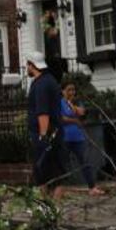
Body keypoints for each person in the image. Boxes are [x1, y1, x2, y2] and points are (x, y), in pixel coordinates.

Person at [25, 53, 67, 200]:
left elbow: (43, 112)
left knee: (43, 171)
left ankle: (48, 205)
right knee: (55, 171)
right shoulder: (49, 80)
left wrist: (43, 136)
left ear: (32, 65)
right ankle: (51, 206)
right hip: (54, 132)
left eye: (27, 65)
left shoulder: (41, 85)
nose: (26, 68)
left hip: (46, 134)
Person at [60, 83, 105, 196]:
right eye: (69, 90)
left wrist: (78, 111)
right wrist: (74, 120)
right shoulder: (60, 103)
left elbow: (82, 113)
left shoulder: (72, 103)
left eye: (73, 90)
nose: (72, 92)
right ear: (63, 91)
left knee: (85, 162)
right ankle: (57, 188)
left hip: (78, 137)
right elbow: (61, 118)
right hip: (65, 137)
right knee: (62, 163)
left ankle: (92, 187)